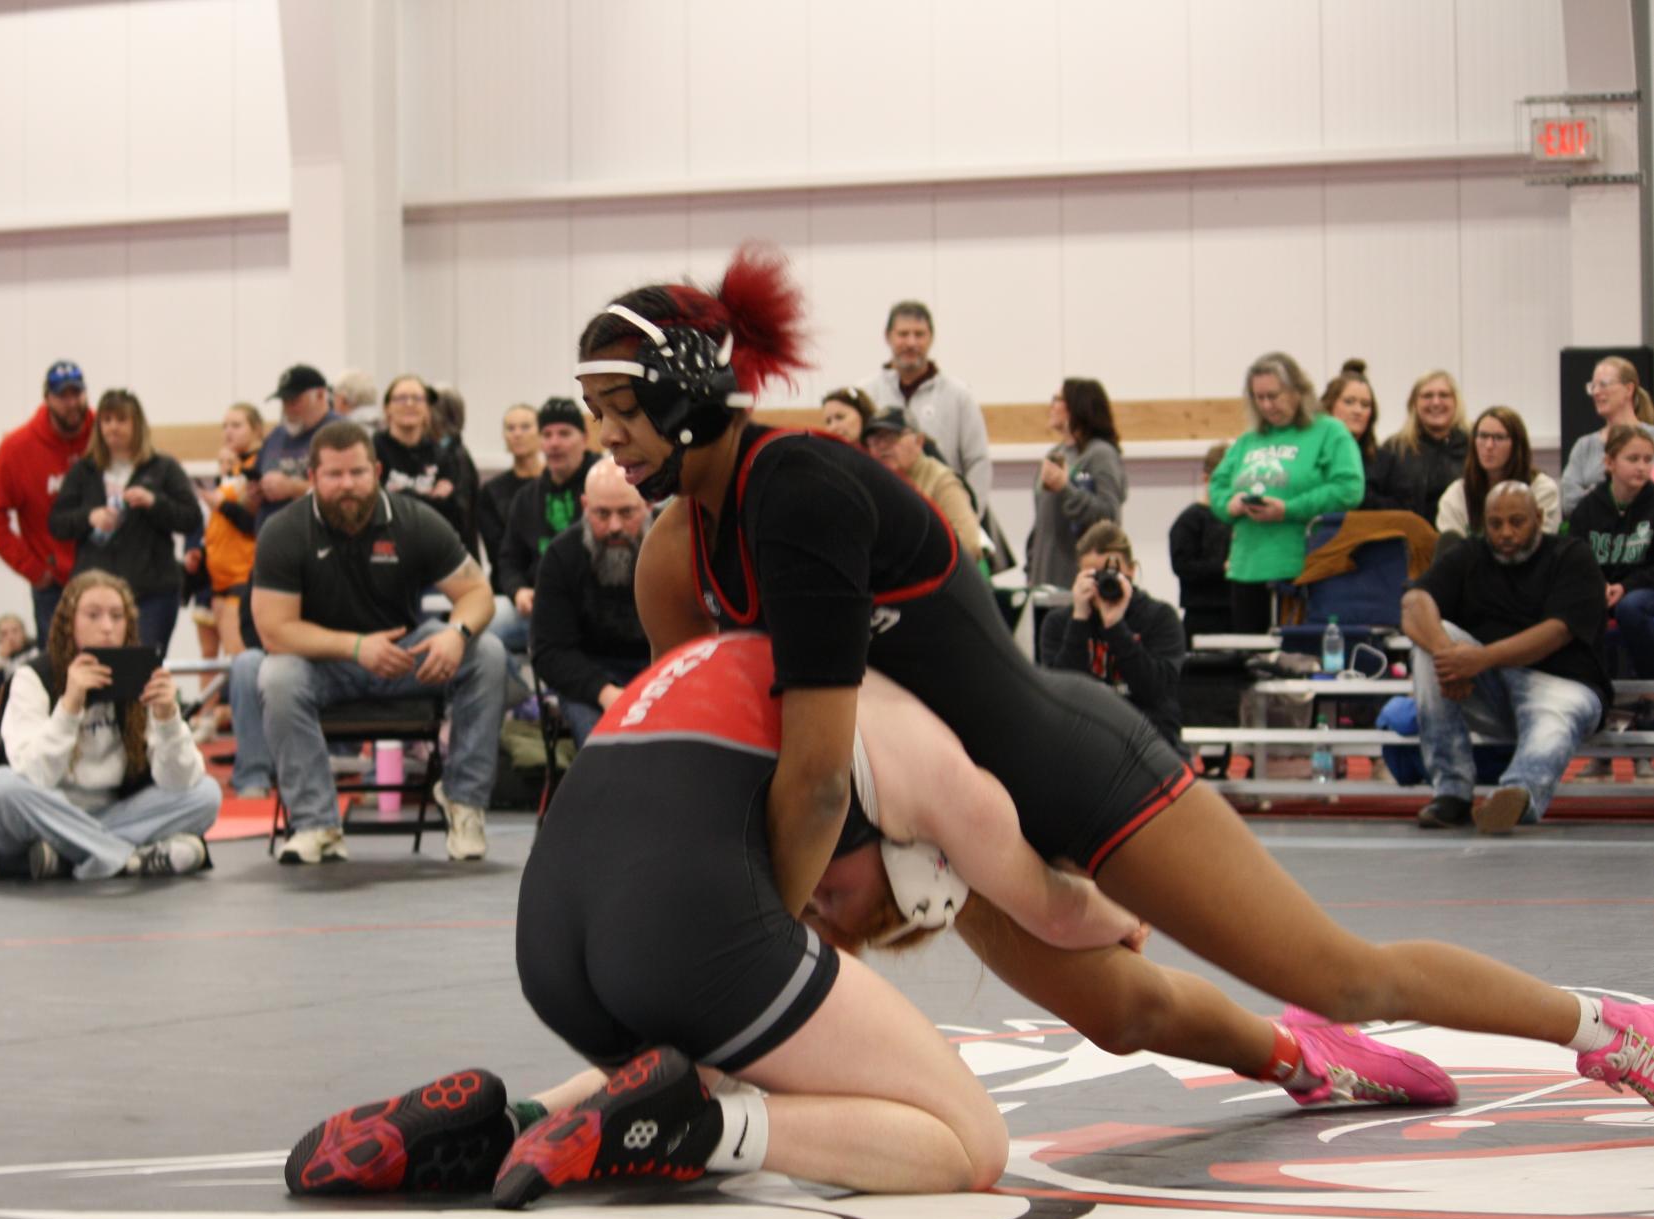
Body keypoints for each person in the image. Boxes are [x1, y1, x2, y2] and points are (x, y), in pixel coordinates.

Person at [572, 244, 1654, 1127]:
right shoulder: (677, 553)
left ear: (690, 390)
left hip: (1068, 762)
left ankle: (1604, 1023)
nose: (607, 442)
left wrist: (752, 944)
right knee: (1125, 1013)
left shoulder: (797, 492)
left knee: (1343, 971)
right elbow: (724, 756)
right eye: (595, 412)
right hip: (942, 811)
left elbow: (807, 788)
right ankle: (1305, 1061)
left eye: (622, 407)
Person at [279, 635, 1470, 1206]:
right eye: (864, 904)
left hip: (552, 928)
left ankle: (503, 1119)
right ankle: (705, 1122)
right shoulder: (929, 752)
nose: (838, 924)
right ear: (917, 858)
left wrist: (1286, 1049)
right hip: (678, 918)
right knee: (968, 1145)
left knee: (697, 1058)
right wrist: (1117, 909)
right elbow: (1054, 914)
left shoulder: (724, 652)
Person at [251, 420, 506, 864]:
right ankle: (317, 825)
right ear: (312, 478)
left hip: (405, 658)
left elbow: (477, 593)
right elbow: (275, 630)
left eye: (357, 473)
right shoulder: (283, 532)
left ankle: (465, 804)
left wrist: (455, 633)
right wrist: (355, 646)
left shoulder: (414, 520)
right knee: (276, 674)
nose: (346, 485)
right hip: (326, 666)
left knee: (486, 652)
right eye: (333, 475)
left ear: (377, 471)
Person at [0, 571, 220, 881]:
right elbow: (35, 775)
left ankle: (69, 857)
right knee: (0, 788)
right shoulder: (33, 677)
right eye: (93, 615)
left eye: (117, 616)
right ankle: (129, 858)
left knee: (206, 794)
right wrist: (70, 706)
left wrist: (168, 718)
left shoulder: (142, 675)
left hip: (113, 812)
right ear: (69, 621)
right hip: (44, 811)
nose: (107, 627)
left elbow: (178, 782)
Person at [1404, 482, 1609, 834]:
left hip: (1561, 685)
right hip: (1488, 687)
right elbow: (1413, 604)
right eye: (1495, 524)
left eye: (1517, 522)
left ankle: (1516, 797)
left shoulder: (1572, 556)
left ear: (1539, 518)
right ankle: (1451, 793)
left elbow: (1556, 632)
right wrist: (1448, 658)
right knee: (1427, 641)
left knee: (1551, 725)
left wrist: (1480, 659)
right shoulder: (1469, 554)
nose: (1506, 533)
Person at [1209, 352, 1366, 632]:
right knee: (1250, 663)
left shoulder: (1329, 432)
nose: (1267, 405)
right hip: (1247, 569)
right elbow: (1217, 485)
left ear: (1297, 392)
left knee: (1299, 660)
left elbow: (1349, 488)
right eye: (1259, 398)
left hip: (1302, 570)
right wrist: (1228, 505)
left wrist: (1288, 509)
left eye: (1274, 395)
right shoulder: (1248, 441)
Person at [49, 388, 200, 658]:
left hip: (151, 591)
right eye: (106, 421)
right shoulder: (84, 470)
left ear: (136, 424)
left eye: (121, 420)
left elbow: (191, 518)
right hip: (95, 590)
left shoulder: (162, 467)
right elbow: (57, 523)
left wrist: (155, 503)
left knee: (141, 669)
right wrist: (88, 517)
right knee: (91, 668)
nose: (112, 428)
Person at [529, 458, 652, 745]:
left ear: (647, 504)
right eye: (602, 514)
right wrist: (605, 693)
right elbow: (549, 650)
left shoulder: (674, 545)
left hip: (661, 667)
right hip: (590, 675)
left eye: (626, 512)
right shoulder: (561, 556)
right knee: (603, 751)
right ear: (585, 506)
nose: (614, 527)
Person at [1039, 521, 1185, 753]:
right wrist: (1079, 619)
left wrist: (1115, 626)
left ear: (1132, 571)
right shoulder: (1060, 623)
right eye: (1094, 575)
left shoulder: (1160, 617)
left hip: (1150, 739)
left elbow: (1155, 691)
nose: (1104, 583)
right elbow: (1062, 695)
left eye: (1113, 574)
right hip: (1083, 741)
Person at [0, 361, 95, 634]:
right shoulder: (17, 448)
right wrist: (32, 568)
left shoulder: (103, 433)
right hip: (53, 582)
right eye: (62, 396)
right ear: (47, 398)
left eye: (76, 394)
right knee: (58, 668)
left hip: (104, 573)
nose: (71, 403)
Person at [862, 300, 991, 511]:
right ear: (888, 337)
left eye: (919, 334)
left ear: (931, 338)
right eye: (903, 334)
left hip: (944, 512)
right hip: (884, 513)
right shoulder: (868, 394)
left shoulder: (959, 395)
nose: (911, 342)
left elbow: (977, 461)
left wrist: (970, 514)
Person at [493, 398, 597, 655]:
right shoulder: (527, 498)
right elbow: (508, 560)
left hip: (592, 610)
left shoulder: (605, 486)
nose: (554, 443)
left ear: (584, 438)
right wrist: (518, 591)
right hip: (536, 606)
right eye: (547, 434)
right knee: (477, 633)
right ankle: (522, 693)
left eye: (564, 433)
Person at [1566, 423, 1654, 677]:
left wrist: (1625, 587)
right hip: (1598, 591)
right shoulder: (1587, 509)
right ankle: (1591, 686)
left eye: (1647, 459)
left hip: (1642, 593)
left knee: (1631, 607)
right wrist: (1599, 585)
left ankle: (1648, 686)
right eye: (1633, 458)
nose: (1641, 466)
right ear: (1610, 462)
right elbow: (1574, 559)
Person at [1027, 378, 1125, 590]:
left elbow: (1109, 515)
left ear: (1077, 405)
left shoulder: (1100, 454)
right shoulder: (1055, 454)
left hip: (1079, 583)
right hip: (1044, 581)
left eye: (1057, 399)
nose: (1051, 405)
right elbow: (1041, 524)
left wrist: (1065, 488)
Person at [374, 373, 480, 558]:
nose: (409, 404)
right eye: (401, 398)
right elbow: (375, 506)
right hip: (386, 555)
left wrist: (399, 495)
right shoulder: (373, 450)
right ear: (387, 409)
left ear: (428, 410)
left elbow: (456, 514)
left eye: (417, 398)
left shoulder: (445, 455)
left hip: (433, 557)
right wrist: (430, 498)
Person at [860, 407, 981, 563]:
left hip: (936, 580)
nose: (882, 447)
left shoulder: (941, 481)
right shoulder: (874, 484)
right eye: (874, 441)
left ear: (919, 441)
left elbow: (969, 545)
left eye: (891, 437)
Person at [198, 402, 266, 662]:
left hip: (243, 573)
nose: (228, 432)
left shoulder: (258, 467)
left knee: (239, 658)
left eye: (236, 425)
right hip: (220, 577)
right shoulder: (233, 470)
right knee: (226, 657)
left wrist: (222, 505)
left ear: (257, 429)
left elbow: (254, 520)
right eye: (225, 426)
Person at [1435, 407, 1561, 537]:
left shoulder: (1542, 489)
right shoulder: (1457, 493)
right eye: (1483, 436)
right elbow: (1451, 552)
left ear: (1517, 444)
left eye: (1499, 438)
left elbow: (1539, 545)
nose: (1489, 445)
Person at [1363, 370, 1468, 522]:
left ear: (1456, 402)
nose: (1436, 402)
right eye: (1427, 396)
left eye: (1444, 395)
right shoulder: (1393, 448)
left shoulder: (1474, 446)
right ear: (1414, 403)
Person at [1561, 355, 1654, 519]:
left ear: (1629, 389)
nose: (1596, 392)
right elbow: (1569, 502)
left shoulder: (1651, 436)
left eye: (1603, 384)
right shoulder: (1585, 446)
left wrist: (1593, 492)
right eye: (1593, 386)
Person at [257, 364, 340, 528]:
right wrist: (254, 493)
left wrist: (293, 488)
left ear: (320, 395)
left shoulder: (341, 433)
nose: (287, 409)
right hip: (273, 537)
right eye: (284, 402)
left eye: (294, 401)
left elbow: (347, 488)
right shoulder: (276, 435)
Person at [1168, 442, 1232, 639]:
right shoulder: (1190, 520)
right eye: (1224, 481)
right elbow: (1182, 566)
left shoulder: (1243, 521)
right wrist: (1222, 567)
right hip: (1202, 615)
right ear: (1206, 478)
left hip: (1238, 611)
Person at [476, 403, 542, 571]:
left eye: (525, 427)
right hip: (506, 586)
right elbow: (497, 550)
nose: (517, 434)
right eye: (510, 428)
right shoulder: (492, 491)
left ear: (541, 432)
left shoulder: (555, 484)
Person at [1320, 358, 1380, 475]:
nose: (1358, 411)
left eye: (1365, 404)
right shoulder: (1312, 456)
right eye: (1349, 402)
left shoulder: (1385, 461)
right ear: (1329, 405)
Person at [332, 368, 383, 433]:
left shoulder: (348, 431)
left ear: (343, 399)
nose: (333, 402)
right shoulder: (384, 424)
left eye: (335, 396)